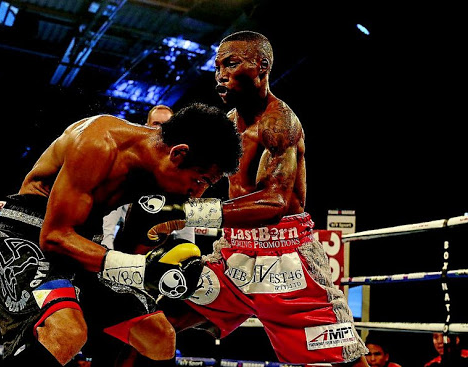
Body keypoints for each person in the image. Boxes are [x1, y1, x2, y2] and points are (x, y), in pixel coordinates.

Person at [127, 30, 369, 366]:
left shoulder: (279, 123)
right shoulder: (228, 124)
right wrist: (161, 200)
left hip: (286, 261)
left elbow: (275, 203)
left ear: (262, 66)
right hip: (234, 255)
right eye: (217, 67)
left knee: (341, 360)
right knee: (150, 320)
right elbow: (201, 180)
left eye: (230, 64)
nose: (220, 75)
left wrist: (184, 212)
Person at [0, 102, 242, 367]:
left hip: (85, 244)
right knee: (67, 332)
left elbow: (131, 249)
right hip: (29, 233)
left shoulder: (162, 180)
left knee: (158, 335)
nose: (198, 193)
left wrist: (158, 250)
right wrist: (142, 268)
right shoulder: (97, 143)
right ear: (178, 154)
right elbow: (54, 237)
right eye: (199, 180)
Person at [101, 104, 194, 251]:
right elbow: (112, 207)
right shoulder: (130, 159)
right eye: (156, 124)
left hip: (161, 248)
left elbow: (184, 212)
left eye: (167, 125)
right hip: (124, 245)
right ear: (146, 126)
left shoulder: (181, 169)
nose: (161, 129)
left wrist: (187, 248)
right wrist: (106, 247)